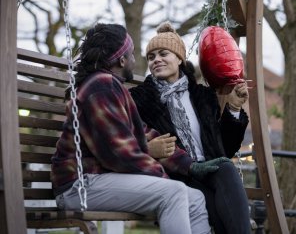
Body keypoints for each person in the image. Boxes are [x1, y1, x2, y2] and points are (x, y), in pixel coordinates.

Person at [51, 23, 215, 234]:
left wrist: (189, 165)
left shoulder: (114, 88)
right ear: (122, 59)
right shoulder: (101, 86)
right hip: (79, 186)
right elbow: (118, 155)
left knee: (195, 198)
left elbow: (146, 134)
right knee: (173, 192)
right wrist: (162, 175)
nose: (135, 60)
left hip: (100, 181)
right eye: (132, 54)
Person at [130, 21, 252, 234]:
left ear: (179, 58)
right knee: (214, 205)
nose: (156, 60)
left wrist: (233, 107)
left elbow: (225, 149)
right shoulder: (139, 100)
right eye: (151, 57)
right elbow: (136, 143)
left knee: (225, 168)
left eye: (163, 54)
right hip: (175, 174)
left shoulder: (203, 96)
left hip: (211, 170)